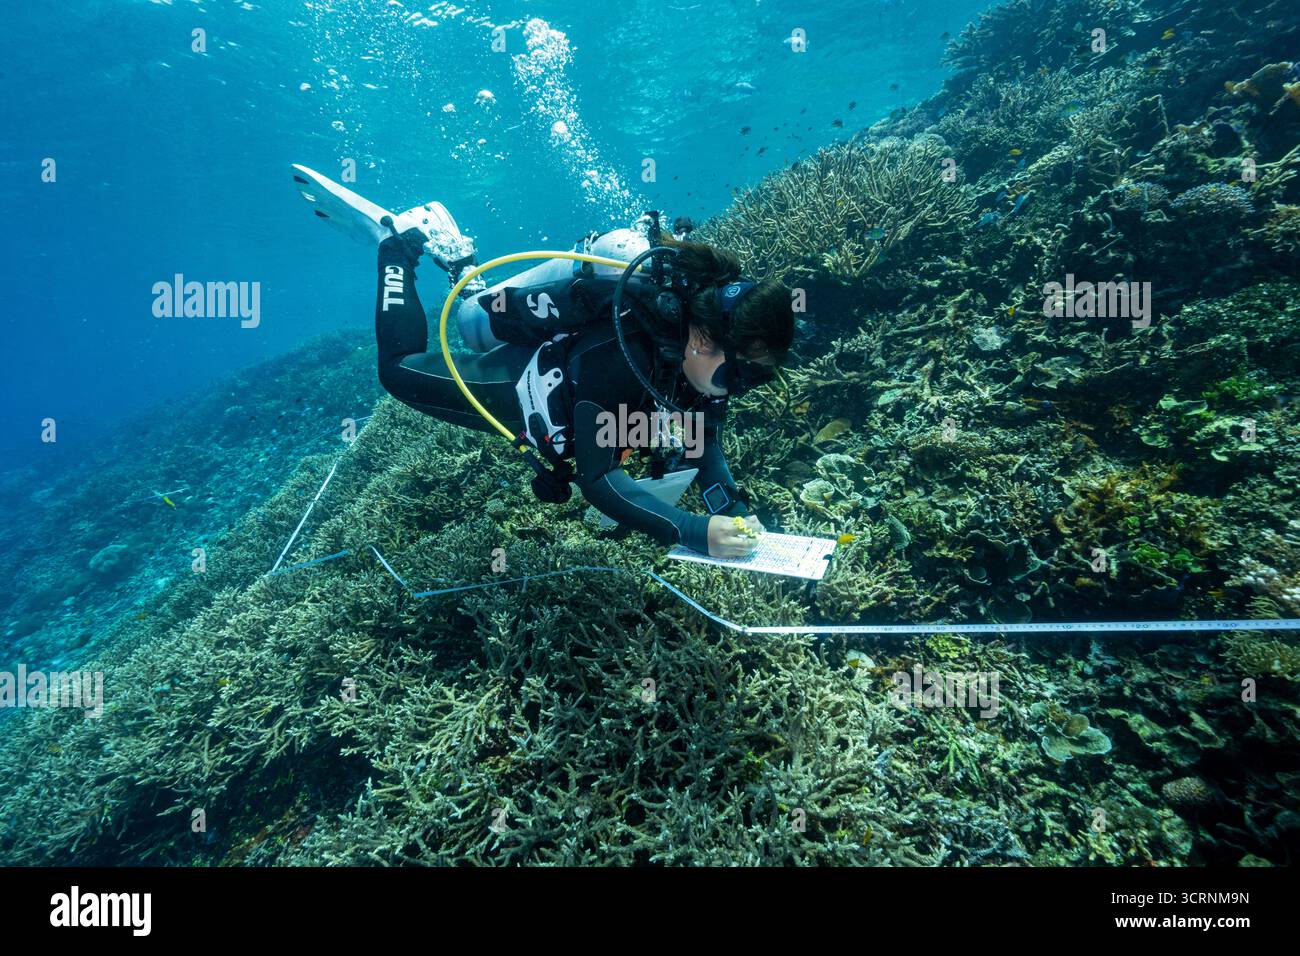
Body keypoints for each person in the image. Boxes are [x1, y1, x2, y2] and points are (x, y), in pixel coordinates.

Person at [372, 210, 795, 559]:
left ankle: (465, 271)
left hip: (567, 387)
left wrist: (732, 509)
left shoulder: (699, 363)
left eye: (756, 379)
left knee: (473, 318)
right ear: (702, 341)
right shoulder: (625, 355)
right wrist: (692, 530)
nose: (738, 388)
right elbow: (598, 476)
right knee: (397, 371)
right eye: (739, 374)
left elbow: (702, 441)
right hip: (519, 383)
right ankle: (395, 247)